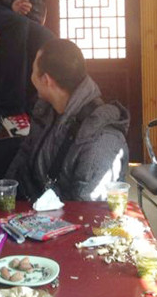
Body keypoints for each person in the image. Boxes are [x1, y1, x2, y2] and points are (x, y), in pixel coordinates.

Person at [7, 39, 130, 202]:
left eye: (33, 70)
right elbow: (24, 157)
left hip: (67, 215)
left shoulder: (102, 140)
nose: (31, 76)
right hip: (34, 206)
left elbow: (88, 209)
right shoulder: (46, 110)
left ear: (46, 80)